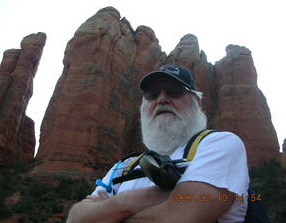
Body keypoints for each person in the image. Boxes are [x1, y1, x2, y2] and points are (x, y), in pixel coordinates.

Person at [66, 64, 249, 223]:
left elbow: (181, 218)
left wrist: (107, 211)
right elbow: (75, 218)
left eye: (174, 92)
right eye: (152, 95)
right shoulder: (123, 167)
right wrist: (125, 202)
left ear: (196, 101)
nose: (162, 99)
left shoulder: (219, 144)